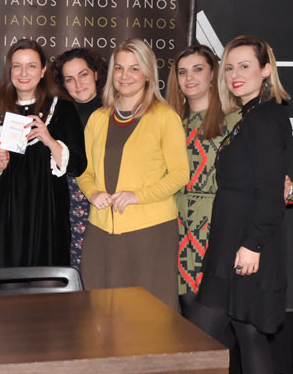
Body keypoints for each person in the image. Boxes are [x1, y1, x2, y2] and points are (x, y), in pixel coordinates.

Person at [192, 36, 291, 374]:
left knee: (212, 340)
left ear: (266, 70)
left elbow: (270, 192)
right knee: (248, 342)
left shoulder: (266, 118)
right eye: (229, 67)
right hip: (230, 247)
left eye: (245, 66)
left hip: (247, 250)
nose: (235, 75)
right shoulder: (249, 116)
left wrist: (252, 245)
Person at [76, 39, 189, 312]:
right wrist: (93, 192)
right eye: (119, 68)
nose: (125, 75)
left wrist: (137, 196)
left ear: (148, 73)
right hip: (101, 231)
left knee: (149, 316)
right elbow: (84, 170)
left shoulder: (165, 117)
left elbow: (180, 174)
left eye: (134, 68)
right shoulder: (98, 118)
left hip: (149, 233)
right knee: (99, 312)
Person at [0, 39, 86, 268]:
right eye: (17, 66)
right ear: (10, 70)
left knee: (46, 281)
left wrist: (49, 139)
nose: (23, 73)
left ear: (43, 70)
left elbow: (78, 165)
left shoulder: (62, 109)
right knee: (7, 280)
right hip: (6, 218)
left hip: (48, 214)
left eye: (31, 66)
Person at [165, 45, 242, 299]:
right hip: (176, 226)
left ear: (213, 75)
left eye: (197, 69)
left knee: (210, 310)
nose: (189, 77)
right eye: (182, 72)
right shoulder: (169, 122)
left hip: (217, 224)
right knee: (185, 307)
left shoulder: (234, 120)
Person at [51, 48, 108, 270]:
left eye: (83, 74)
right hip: (69, 203)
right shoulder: (57, 117)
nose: (78, 84)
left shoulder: (117, 111)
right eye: (69, 79)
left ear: (96, 74)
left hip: (108, 198)